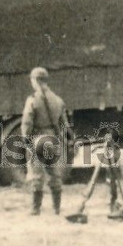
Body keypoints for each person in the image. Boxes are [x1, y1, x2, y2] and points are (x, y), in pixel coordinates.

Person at [21, 67, 72, 216]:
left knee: (37, 175)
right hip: (53, 140)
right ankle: (56, 208)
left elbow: (27, 123)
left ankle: (35, 209)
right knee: (54, 174)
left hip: (38, 140)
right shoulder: (58, 100)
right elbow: (65, 125)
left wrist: (26, 140)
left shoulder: (32, 100)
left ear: (35, 81)